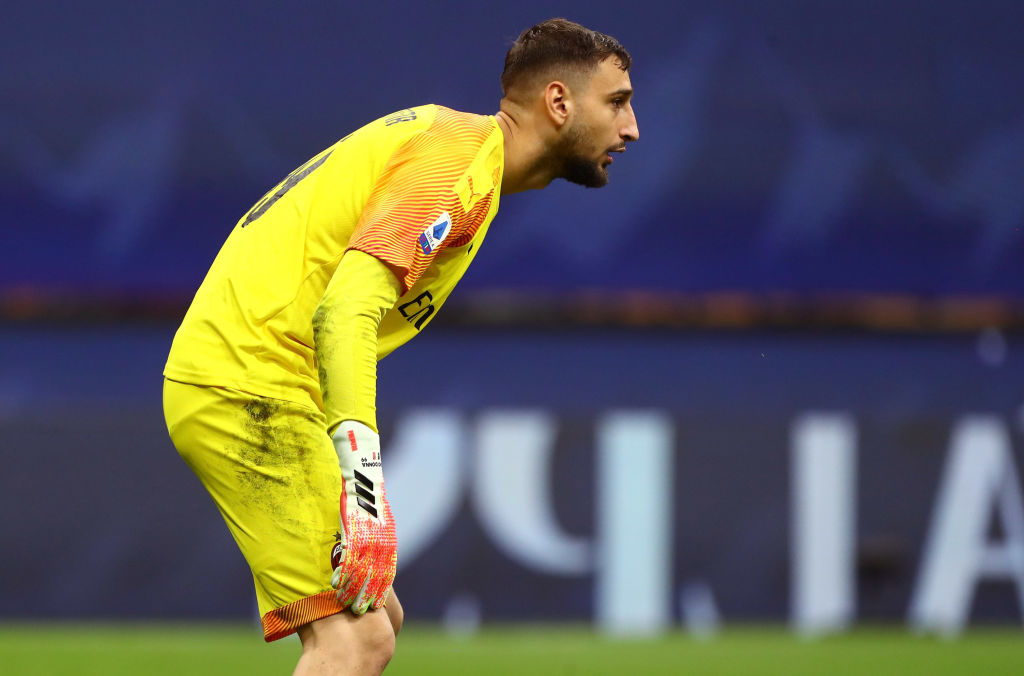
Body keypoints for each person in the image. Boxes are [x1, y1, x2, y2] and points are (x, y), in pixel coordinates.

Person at [162, 17, 638, 676]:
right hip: (247, 383)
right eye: (617, 101)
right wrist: (363, 484)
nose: (631, 126)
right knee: (353, 640)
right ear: (559, 103)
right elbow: (346, 312)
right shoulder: (457, 167)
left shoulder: (462, 157)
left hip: (258, 377)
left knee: (379, 621)